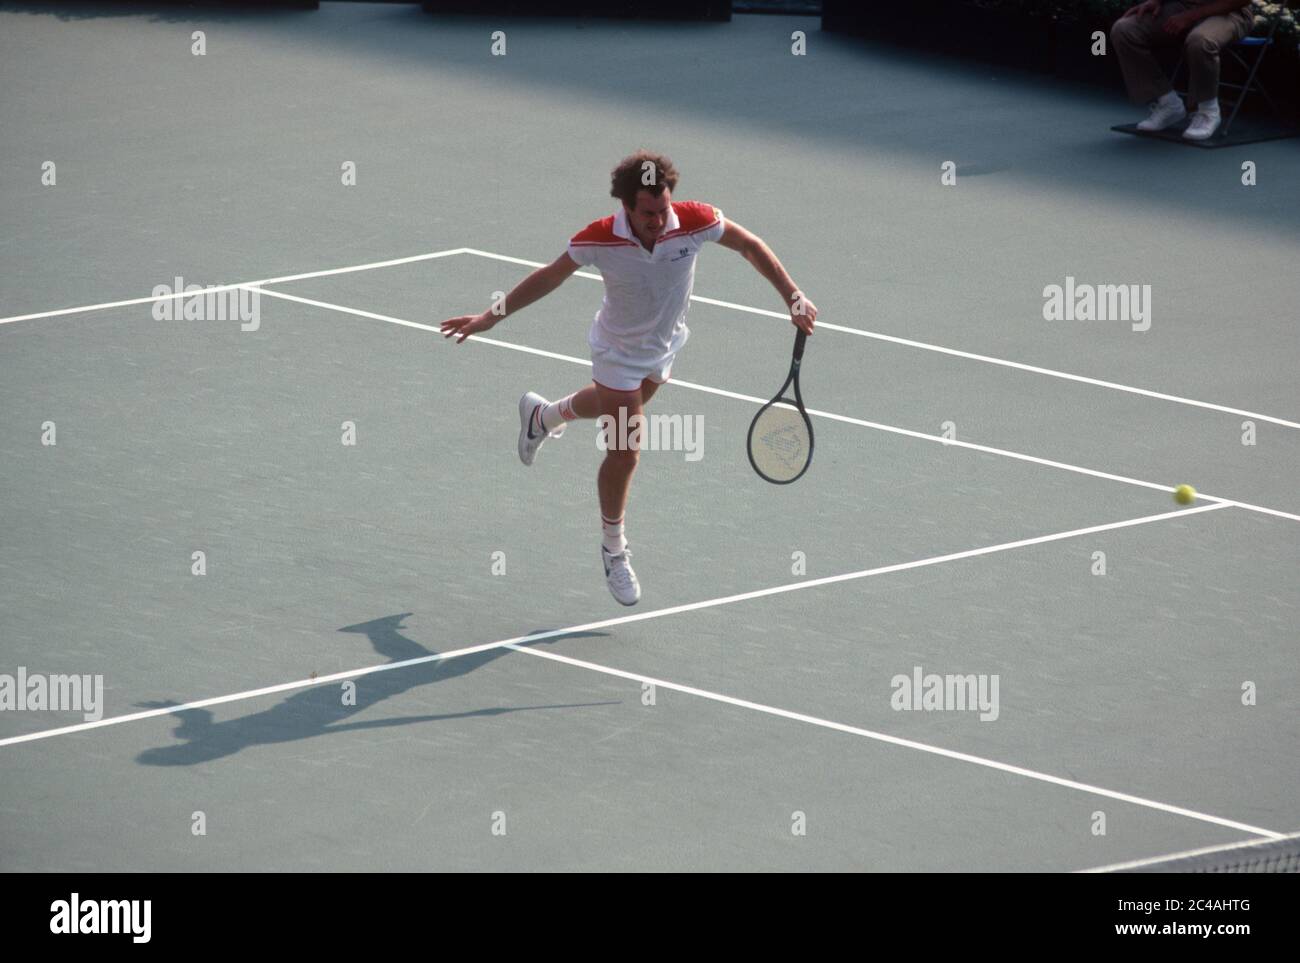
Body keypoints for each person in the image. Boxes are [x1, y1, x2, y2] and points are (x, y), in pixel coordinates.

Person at [440, 150, 817, 606]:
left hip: (664, 345)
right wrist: (490, 316)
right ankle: (614, 549)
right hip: (615, 351)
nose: (659, 220)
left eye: (663, 210)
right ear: (626, 207)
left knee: (625, 402)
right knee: (625, 450)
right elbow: (550, 277)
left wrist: (792, 296)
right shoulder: (600, 237)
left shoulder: (695, 221)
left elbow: (749, 245)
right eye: (648, 213)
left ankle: (543, 415)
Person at [1111, 0, 1256, 141]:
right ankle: (1168, 103)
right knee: (1124, 30)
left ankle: (1208, 111)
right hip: (1184, 6)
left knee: (1200, 40)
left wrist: (1190, 16)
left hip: (1230, 11)